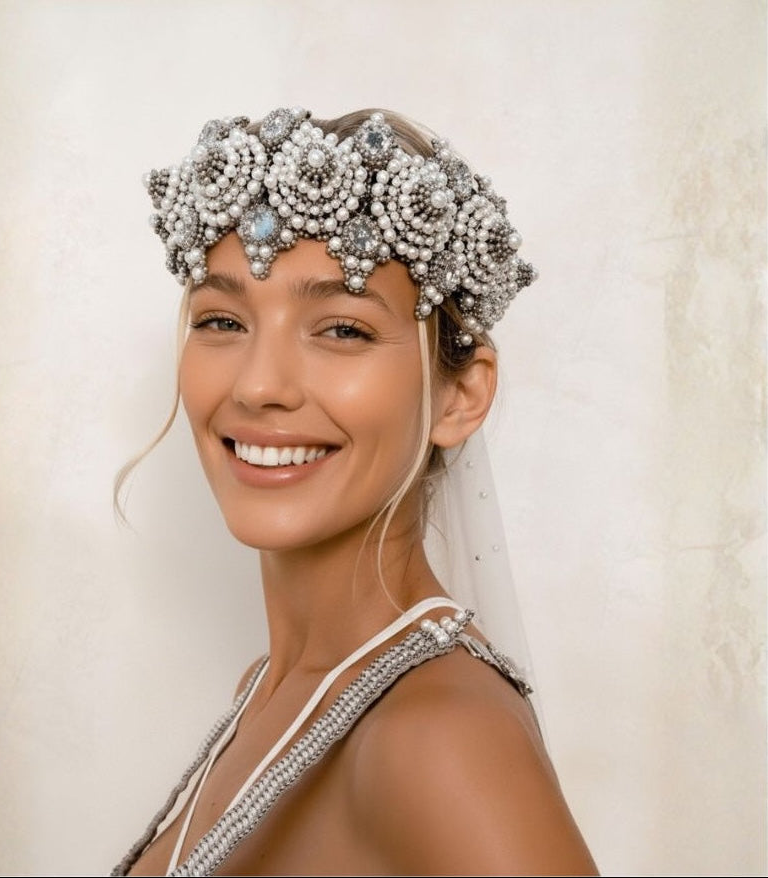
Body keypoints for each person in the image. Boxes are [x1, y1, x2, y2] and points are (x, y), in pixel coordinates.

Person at [112, 108, 597, 876]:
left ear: (458, 396)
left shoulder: (439, 736)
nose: (259, 385)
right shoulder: (271, 690)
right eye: (222, 320)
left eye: (342, 330)